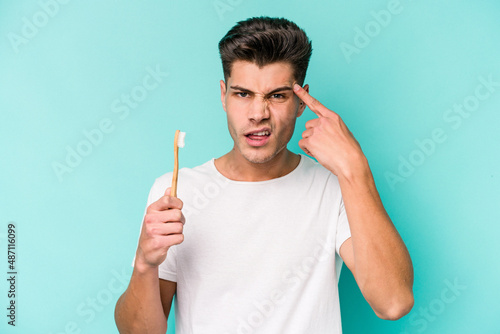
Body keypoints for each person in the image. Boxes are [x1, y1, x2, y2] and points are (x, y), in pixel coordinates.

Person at [114, 16, 414, 334]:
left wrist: (355, 168)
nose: (258, 114)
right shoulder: (176, 191)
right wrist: (145, 264)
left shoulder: (335, 187)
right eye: (243, 94)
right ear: (223, 94)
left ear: (301, 101)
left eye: (277, 96)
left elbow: (393, 302)